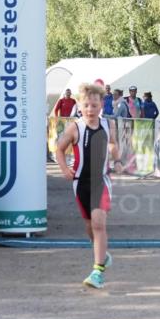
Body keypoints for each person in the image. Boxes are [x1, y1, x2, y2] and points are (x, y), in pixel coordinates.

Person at [54, 82, 121, 289]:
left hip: (100, 181)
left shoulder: (108, 125)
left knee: (99, 223)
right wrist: (65, 169)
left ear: (101, 105)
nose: (90, 109)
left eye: (94, 105)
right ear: (80, 107)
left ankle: (98, 272)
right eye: (86, 105)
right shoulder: (75, 127)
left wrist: (116, 159)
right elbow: (59, 149)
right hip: (80, 183)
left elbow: (113, 144)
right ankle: (101, 252)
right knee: (89, 226)